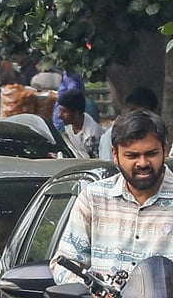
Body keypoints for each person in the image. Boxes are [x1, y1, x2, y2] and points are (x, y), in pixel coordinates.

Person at [54, 110, 173, 283]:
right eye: (132, 155)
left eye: (151, 154)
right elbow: (64, 264)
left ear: (165, 150)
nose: (142, 163)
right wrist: (92, 292)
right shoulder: (94, 198)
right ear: (115, 155)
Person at [100, 87, 159, 161]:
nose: (136, 116)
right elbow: (107, 164)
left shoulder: (157, 132)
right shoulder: (111, 135)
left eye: (142, 112)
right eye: (132, 110)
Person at [56, 85, 104, 158]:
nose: (59, 115)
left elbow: (97, 161)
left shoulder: (92, 135)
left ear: (76, 113)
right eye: (60, 111)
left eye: (64, 111)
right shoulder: (68, 126)